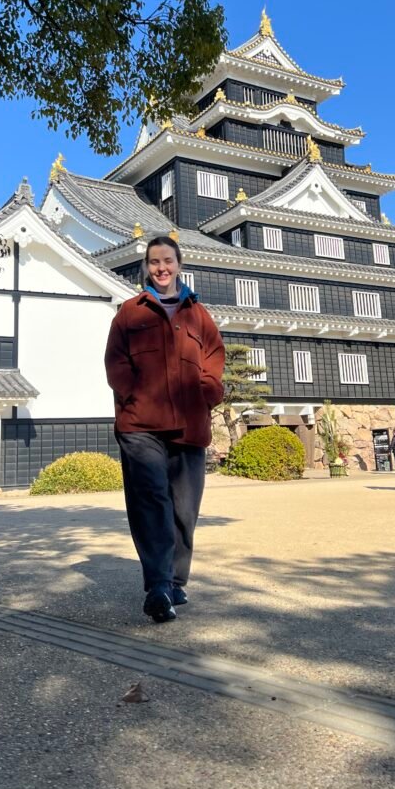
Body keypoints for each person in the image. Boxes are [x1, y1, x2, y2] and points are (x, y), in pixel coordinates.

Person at [104, 236, 225, 623]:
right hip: (141, 424)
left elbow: (214, 359)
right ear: (146, 267)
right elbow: (115, 364)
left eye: (167, 260)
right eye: (154, 262)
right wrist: (134, 396)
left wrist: (207, 393)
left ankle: (174, 580)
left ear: (179, 264)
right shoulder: (129, 313)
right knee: (151, 500)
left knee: (185, 509)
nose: (161, 268)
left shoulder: (199, 315)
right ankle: (157, 586)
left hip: (189, 424)